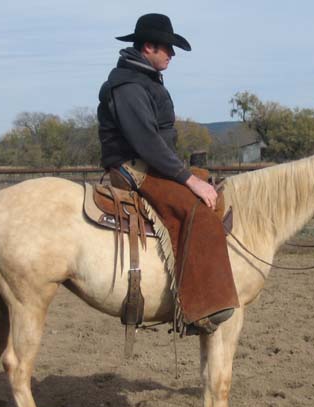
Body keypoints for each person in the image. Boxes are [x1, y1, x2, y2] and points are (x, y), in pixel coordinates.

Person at [97, 13, 239, 334]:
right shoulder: (129, 86)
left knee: (208, 186)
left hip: (148, 161)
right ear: (148, 46)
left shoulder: (144, 79)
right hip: (133, 166)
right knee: (196, 210)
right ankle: (196, 308)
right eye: (167, 48)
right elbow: (147, 142)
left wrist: (190, 175)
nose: (172, 55)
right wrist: (187, 179)